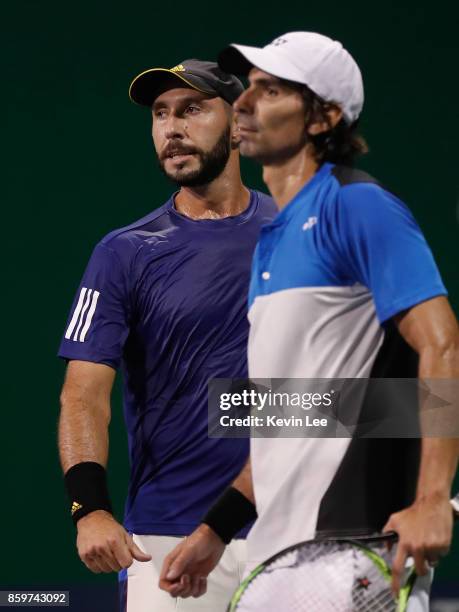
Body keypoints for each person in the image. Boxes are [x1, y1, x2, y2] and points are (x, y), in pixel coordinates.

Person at [158, 33, 459, 610]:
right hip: (277, 557)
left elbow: (442, 345)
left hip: (355, 552)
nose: (244, 104)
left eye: (270, 91)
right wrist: (216, 530)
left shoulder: (357, 204)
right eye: (247, 89)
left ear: (324, 118)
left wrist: (432, 498)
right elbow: (295, 415)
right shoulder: (272, 239)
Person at [57, 58, 277, 612]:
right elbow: (83, 395)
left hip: (290, 536)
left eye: (193, 109)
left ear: (237, 124)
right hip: (167, 542)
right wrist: (90, 509)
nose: (172, 128)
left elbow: (360, 392)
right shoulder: (123, 253)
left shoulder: (299, 233)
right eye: (160, 114)